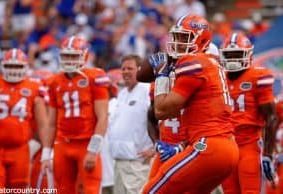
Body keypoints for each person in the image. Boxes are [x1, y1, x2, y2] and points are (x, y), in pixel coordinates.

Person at [142, 14, 239, 194]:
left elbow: (161, 111)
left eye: (183, 37)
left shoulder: (193, 62)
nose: (177, 42)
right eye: (176, 37)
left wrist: (162, 75)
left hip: (207, 145)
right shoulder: (213, 64)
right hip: (228, 147)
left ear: (201, 40)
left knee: (151, 191)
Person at [40, 35, 109, 194]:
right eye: (66, 56)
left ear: (84, 55)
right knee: (63, 189)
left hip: (85, 143)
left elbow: (103, 117)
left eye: (73, 56)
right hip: (62, 144)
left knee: (90, 189)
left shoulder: (94, 77)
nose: (69, 60)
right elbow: (51, 122)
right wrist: (45, 153)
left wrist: (93, 150)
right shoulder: (54, 81)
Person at [220, 32, 279, 193]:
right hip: (226, 146)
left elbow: (271, 118)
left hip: (249, 144)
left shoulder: (258, 76)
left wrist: (267, 153)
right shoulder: (219, 78)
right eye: (229, 55)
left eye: (237, 55)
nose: (232, 60)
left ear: (248, 54)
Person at [0, 48, 48, 190]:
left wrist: (47, 150)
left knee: (18, 188)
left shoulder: (34, 87)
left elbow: (42, 124)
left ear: (25, 67)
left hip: (20, 150)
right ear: (2, 66)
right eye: (10, 66)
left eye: (17, 66)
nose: (13, 70)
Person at [108, 54, 154, 194]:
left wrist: (154, 148)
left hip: (138, 162)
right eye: (123, 69)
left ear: (140, 70)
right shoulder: (122, 94)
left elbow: (160, 119)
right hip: (119, 160)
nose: (126, 72)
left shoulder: (147, 90)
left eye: (130, 68)